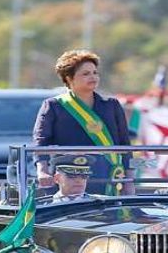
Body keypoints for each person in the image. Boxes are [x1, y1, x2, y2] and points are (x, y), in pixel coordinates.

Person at [32, 49, 131, 195]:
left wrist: (129, 181)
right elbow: (41, 142)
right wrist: (42, 171)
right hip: (69, 179)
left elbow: (124, 144)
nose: (93, 77)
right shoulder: (54, 106)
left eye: (95, 72)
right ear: (69, 78)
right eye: (85, 74)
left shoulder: (111, 105)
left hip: (108, 178)